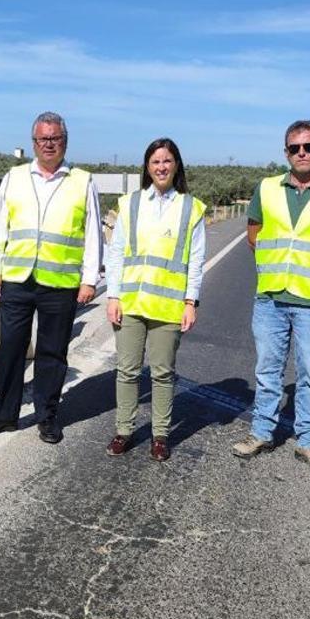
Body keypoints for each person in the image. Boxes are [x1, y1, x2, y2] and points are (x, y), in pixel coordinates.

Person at [232, 120, 310, 474]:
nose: (301, 153)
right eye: (294, 148)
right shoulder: (268, 188)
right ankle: (261, 433)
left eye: (309, 147)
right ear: (285, 152)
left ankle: (309, 443)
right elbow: (254, 235)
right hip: (271, 297)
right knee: (268, 371)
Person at [0, 112, 101, 444]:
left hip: (60, 283)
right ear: (33, 143)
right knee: (10, 349)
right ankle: (4, 416)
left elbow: (92, 235)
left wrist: (89, 280)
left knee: (52, 352)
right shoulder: (14, 177)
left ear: (65, 141)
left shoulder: (83, 181)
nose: (48, 144)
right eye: (42, 139)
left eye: (54, 138)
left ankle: (47, 416)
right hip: (16, 279)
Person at [104, 138, 206, 462]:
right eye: (155, 161)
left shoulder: (191, 208)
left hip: (168, 307)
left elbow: (196, 259)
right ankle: (124, 430)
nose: (161, 167)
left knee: (162, 373)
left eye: (167, 160)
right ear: (147, 168)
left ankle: (160, 435)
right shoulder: (131, 204)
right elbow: (117, 251)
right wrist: (113, 295)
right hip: (131, 303)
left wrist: (191, 301)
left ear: (176, 165)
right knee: (127, 370)